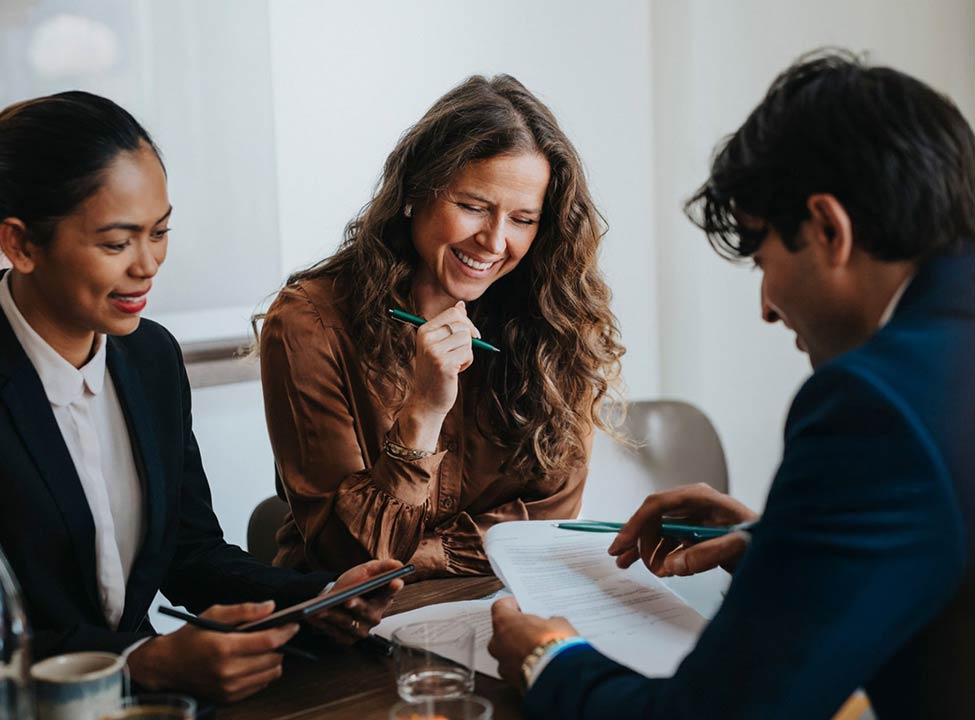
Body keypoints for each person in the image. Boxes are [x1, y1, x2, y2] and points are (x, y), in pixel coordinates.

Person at [488, 50, 975, 719]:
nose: (767, 307)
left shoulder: (880, 403)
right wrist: (780, 544)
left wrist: (550, 659)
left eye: (762, 260)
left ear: (828, 229)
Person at [0, 91, 404, 704]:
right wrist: (143, 661)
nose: (148, 265)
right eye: (117, 243)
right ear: (21, 244)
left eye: (159, 232)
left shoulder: (150, 357)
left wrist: (313, 598)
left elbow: (189, 552)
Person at [260, 75, 624, 579]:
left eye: (523, 219)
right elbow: (350, 560)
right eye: (473, 207)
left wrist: (417, 554)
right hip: (351, 627)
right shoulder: (309, 322)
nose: (495, 242)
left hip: (497, 608)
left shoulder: (554, 321)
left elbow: (551, 514)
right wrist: (422, 415)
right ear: (416, 191)